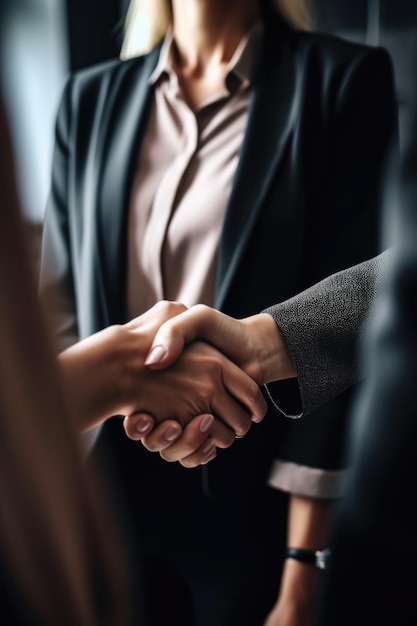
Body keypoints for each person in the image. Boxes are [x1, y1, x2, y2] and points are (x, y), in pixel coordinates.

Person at [39, 0, 397, 624]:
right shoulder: (87, 99)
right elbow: (61, 308)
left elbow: (346, 346)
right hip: (105, 507)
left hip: (254, 515)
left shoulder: (342, 80)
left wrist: (302, 575)